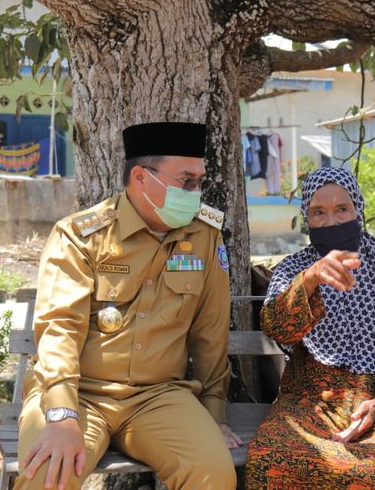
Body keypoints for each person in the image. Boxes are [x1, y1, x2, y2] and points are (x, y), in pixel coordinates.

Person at [15, 122, 242, 490]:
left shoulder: (204, 236)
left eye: (200, 182)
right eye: (186, 182)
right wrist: (60, 414)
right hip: (80, 394)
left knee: (213, 475)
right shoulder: (81, 236)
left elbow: (210, 332)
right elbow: (59, 330)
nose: (196, 192)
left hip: (159, 397)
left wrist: (213, 411)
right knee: (47, 477)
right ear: (140, 177)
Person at [245, 166, 375, 489]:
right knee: (271, 455)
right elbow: (277, 328)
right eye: (318, 212)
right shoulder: (294, 269)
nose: (331, 222)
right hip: (309, 397)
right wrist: (311, 279)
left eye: (342, 209)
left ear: (358, 208)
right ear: (307, 218)